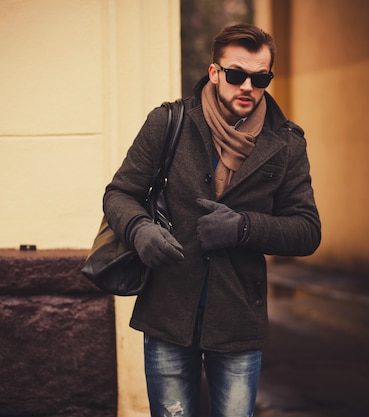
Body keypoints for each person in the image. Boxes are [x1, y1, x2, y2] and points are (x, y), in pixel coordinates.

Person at [103, 23, 321, 417]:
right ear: (215, 72)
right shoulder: (169, 122)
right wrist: (139, 230)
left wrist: (243, 228)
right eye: (236, 75)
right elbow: (119, 194)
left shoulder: (287, 143)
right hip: (168, 310)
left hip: (238, 318)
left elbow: (307, 230)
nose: (247, 87)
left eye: (260, 78)